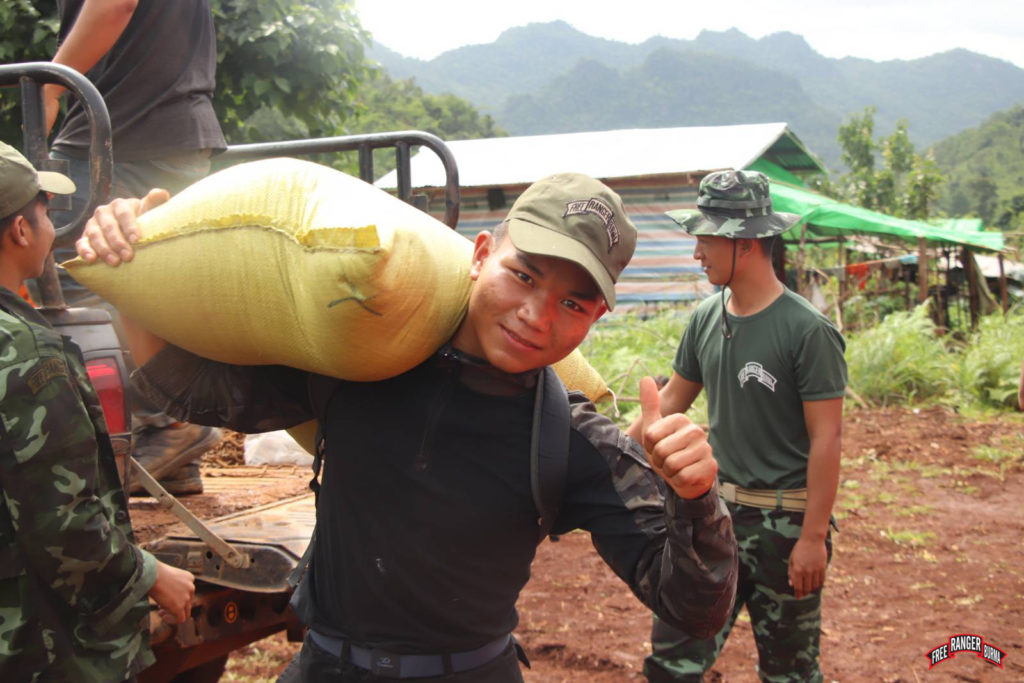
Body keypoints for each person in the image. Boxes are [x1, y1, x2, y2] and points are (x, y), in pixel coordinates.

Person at [77, 172, 739, 682]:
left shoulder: (570, 436)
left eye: (571, 302)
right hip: (323, 667)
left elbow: (694, 607)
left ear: (592, 321)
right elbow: (196, 388)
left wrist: (695, 497)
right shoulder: (358, 357)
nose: (538, 315)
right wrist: (128, 252)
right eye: (523, 274)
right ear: (480, 254)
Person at [628, 170, 847, 682]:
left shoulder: (807, 332)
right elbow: (670, 403)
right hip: (712, 519)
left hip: (784, 527)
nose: (697, 253)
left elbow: (827, 439)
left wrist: (813, 537)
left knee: (789, 671)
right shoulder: (705, 317)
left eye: (706, 239)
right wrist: (604, 450)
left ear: (744, 243)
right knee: (672, 662)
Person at [0, 141, 195, 681]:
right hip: (38, 650)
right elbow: (63, 523)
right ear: (20, 231)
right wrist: (151, 574)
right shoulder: (24, 353)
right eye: (43, 213)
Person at [41, 0, 228, 495]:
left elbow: (114, 4)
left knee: (69, 281)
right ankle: (168, 446)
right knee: (150, 282)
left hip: (123, 126)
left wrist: (50, 85)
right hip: (169, 125)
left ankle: (169, 422)